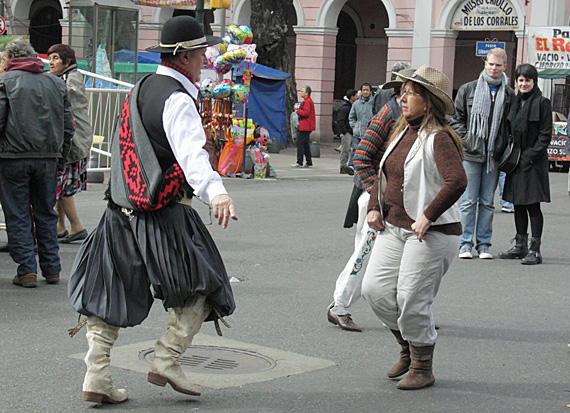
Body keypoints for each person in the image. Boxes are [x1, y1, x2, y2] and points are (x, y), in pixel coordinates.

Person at [67, 16, 237, 404]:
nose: (204, 60)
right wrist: (217, 193)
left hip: (119, 208)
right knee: (203, 287)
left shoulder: (140, 88)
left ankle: (97, 375)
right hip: (163, 212)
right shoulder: (177, 99)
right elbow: (192, 153)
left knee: (107, 291)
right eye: (200, 53)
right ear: (185, 56)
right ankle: (166, 358)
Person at [362, 66, 467, 390]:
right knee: (375, 291)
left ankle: (423, 365)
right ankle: (408, 347)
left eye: (410, 92)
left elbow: (458, 180)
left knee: (410, 299)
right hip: (394, 228)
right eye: (401, 91)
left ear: (429, 100)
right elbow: (386, 177)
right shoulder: (401, 130)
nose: (402, 97)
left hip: (431, 234)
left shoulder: (439, 137)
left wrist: (429, 215)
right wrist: (375, 207)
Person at [327, 70, 412, 332]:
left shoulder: (411, 118)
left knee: (394, 257)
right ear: (400, 92)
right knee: (365, 253)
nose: (409, 97)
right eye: (407, 91)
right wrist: (377, 194)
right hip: (377, 199)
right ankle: (339, 306)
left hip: (396, 199)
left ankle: (403, 310)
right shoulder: (387, 115)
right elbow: (361, 157)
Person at [0, 38, 73, 288]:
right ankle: (51, 268)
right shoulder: (55, 83)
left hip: (12, 157)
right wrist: (61, 158)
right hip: (48, 158)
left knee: (18, 214)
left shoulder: (5, 82)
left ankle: (27, 270)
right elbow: (68, 127)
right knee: (45, 212)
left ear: (11, 58)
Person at [450, 48, 514, 260]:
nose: (494, 68)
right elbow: (456, 119)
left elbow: (511, 125)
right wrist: (468, 139)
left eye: (498, 65)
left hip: (494, 156)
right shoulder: (469, 89)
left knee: (487, 202)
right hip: (471, 154)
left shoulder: (509, 94)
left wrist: (503, 146)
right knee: (468, 201)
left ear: (505, 67)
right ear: (485, 64)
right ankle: (465, 243)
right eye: (490, 64)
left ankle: (484, 245)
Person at [498, 63, 551, 265]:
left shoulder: (542, 103)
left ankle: (535, 250)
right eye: (520, 80)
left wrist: (530, 155)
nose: (523, 83)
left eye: (527, 80)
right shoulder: (514, 102)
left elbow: (546, 135)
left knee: (532, 205)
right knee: (518, 203)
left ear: (534, 81)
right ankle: (520, 245)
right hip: (516, 160)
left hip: (533, 161)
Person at [48, 44, 92, 244]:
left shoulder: (70, 78)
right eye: (50, 58)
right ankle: (60, 227)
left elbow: (66, 96)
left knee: (62, 187)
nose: (51, 62)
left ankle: (76, 226)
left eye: (56, 58)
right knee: (59, 186)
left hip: (73, 142)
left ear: (67, 61)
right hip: (71, 141)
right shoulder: (63, 77)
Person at [348, 83, 374, 171]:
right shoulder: (356, 104)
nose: (365, 92)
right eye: (364, 90)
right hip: (357, 132)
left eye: (367, 90)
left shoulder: (373, 103)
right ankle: (351, 165)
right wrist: (354, 126)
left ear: (370, 91)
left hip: (369, 132)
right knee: (355, 149)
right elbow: (351, 116)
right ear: (361, 91)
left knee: (368, 151)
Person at [291, 85, 315, 168]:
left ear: (306, 93)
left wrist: (298, 111)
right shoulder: (307, 101)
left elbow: (306, 113)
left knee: (300, 142)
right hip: (306, 125)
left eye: (302, 91)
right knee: (305, 143)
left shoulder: (307, 101)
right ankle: (309, 161)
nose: (300, 93)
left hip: (306, 125)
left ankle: (299, 161)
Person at [337, 89, 358, 175]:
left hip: (352, 131)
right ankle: (343, 166)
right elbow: (340, 120)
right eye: (356, 95)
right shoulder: (345, 108)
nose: (357, 97)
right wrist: (344, 131)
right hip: (347, 132)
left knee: (353, 150)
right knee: (345, 150)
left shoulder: (353, 106)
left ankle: (350, 166)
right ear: (352, 97)